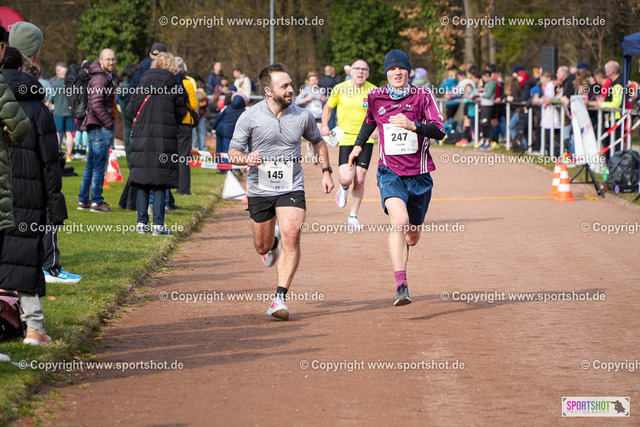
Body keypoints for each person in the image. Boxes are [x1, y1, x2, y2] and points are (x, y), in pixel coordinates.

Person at [228, 63, 334, 321]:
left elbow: (318, 141)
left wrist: (326, 171)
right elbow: (233, 153)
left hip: (291, 185)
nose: (290, 90)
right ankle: (271, 244)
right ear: (268, 90)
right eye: (284, 86)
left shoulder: (302, 116)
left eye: (291, 84)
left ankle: (279, 298)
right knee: (261, 246)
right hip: (260, 187)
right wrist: (247, 159)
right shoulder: (250, 117)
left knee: (293, 236)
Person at [348, 49, 444, 306]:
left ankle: (406, 245)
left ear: (408, 71)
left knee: (412, 236)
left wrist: (414, 126)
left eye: (401, 68)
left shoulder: (424, 95)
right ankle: (401, 286)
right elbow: (369, 121)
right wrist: (358, 145)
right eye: (392, 69)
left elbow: (440, 130)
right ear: (386, 73)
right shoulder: (375, 97)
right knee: (399, 222)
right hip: (390, 173)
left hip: (420, 176)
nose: (397, 72)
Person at [1, 46, 67, 345]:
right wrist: (56, 205)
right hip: (28, 192)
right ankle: (34, 328)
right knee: (26, 257)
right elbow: (50, 160)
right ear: (22, 68)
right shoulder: (37, 107)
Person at [9, 22, 81, 286]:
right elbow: (47, 148)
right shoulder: (32, 86)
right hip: (30, 159)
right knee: (44, 209)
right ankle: (51, 266)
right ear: (35, 52)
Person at [126, 52, 186, 236]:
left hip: (142, 136)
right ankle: (158, 225)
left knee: (142, 180)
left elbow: (129, 110)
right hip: (164, 137)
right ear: (172, 66)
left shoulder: (142, 82)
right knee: (160, 181)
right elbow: (181, 112)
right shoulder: (174, 84)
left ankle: (141, 223)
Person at [321, 59, 377, 229]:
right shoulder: (340, 88)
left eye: (364, 69)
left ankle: (353, 216)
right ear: (351, 72)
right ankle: (344, 188)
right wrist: (324, 125)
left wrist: (377, 129)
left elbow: (381, 113)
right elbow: (328, 108)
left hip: (366, 139)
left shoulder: (374, 91)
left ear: (368, 73)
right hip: (345, 138)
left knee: (360, 178)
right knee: (347, 178)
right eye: (357, 69)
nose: (360, 72)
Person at [77, 48, 117, 213]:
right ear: (100, 61)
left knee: (92, 164)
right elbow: (96, 104)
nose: (111, 62)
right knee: (99, 165)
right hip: (99, 126)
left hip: (95, 125)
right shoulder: (100, 78)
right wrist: (108, 122)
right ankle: (97, 202)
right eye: (108, 59)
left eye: (113, 59)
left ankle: (83, 200)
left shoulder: (101, 75)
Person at [174, 57, 198, 195]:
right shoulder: (187, 84)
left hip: (172, 122)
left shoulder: (168, 83)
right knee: (183, 156)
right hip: (184, 122)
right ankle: (183, 188)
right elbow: (194, 105)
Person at [212, 92, 247, 172]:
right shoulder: (243, 111)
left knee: (219, 150)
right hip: (228, 133)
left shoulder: (228, 108)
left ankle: (219, 167)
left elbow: (219, 118)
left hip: (220, 129)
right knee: (226, 150)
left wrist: (213, 128)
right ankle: (226, 167)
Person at [48, 63, 75, 160]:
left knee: (57, 133)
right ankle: (69, 155)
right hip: (70, 112)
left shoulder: (54, 85)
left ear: (59, 74)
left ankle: (57, 153)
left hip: (58, 112)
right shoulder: (72, 85)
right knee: (69, 133)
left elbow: (50, 100)